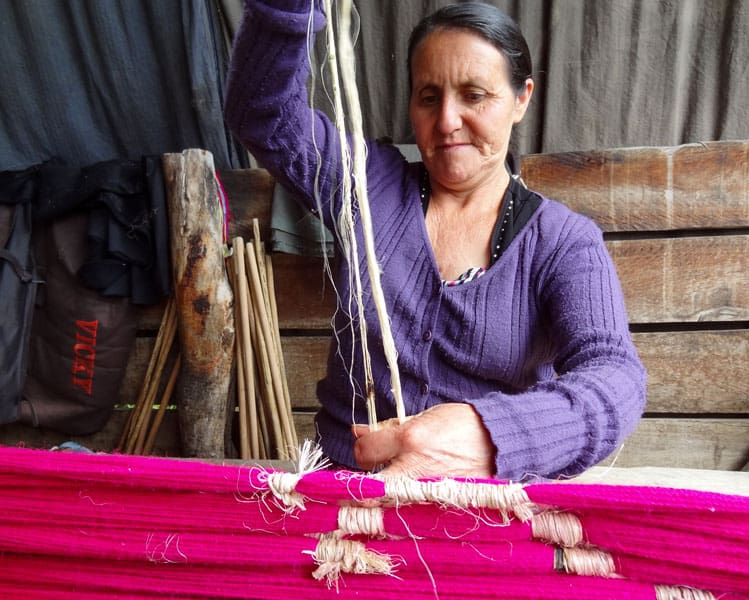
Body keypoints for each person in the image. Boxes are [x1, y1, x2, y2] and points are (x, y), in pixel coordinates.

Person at [224, 0, 646, 482]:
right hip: (342, 495)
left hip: (484, 506)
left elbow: (615, 378)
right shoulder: (367, 185)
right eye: (429, 97)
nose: (447, 121)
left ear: (521, 99)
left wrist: (493, 435)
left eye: (474, 95)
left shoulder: (563, 243)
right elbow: (264, 116)